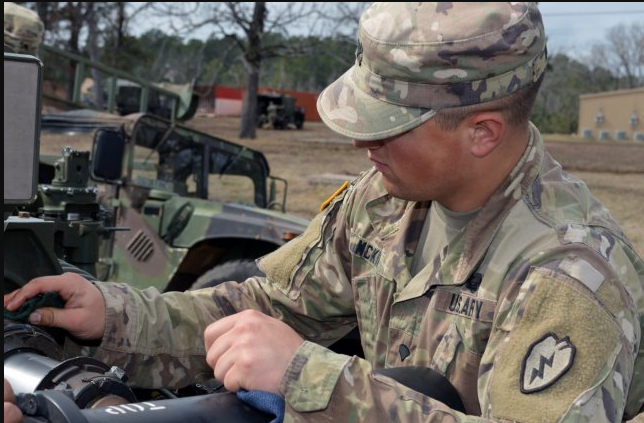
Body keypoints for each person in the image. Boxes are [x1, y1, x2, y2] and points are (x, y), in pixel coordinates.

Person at [4, 3, 643, 422]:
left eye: (389, 126)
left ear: (481, 132)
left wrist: (309, 378)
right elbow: (263, 308)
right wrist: (113, 315)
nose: (363, 143)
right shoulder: (380, 200)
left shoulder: (571, 273)